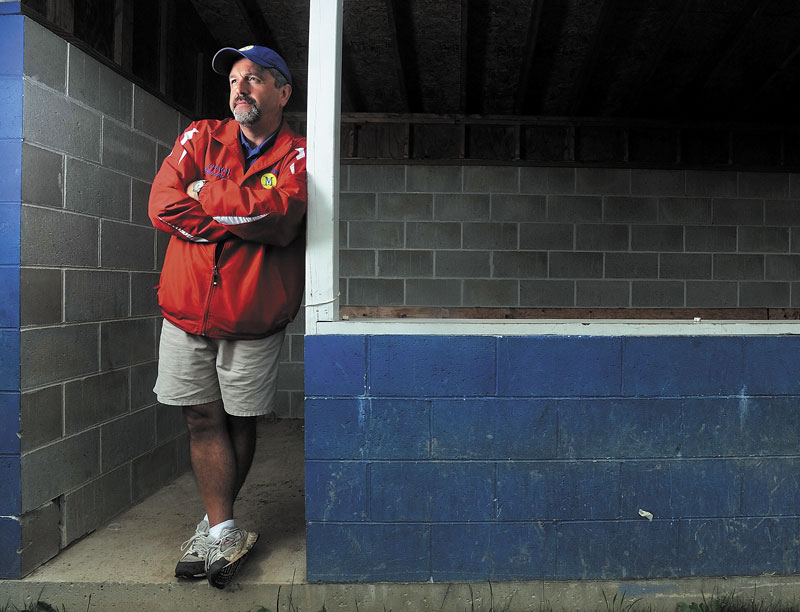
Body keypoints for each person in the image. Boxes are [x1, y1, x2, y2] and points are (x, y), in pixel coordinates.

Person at [148, 44, 306, 589]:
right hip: (186, 309)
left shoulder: (299, 155)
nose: (241, 87)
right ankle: (222, 528)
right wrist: (236, 215)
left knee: (238, 419)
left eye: (256, 78)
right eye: (236, 79)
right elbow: (162, 205)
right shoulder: (200, 135)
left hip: (253, 316)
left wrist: (206, 195)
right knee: (199, 418)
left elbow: (278, 217)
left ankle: (217, 526)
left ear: (283, 92)